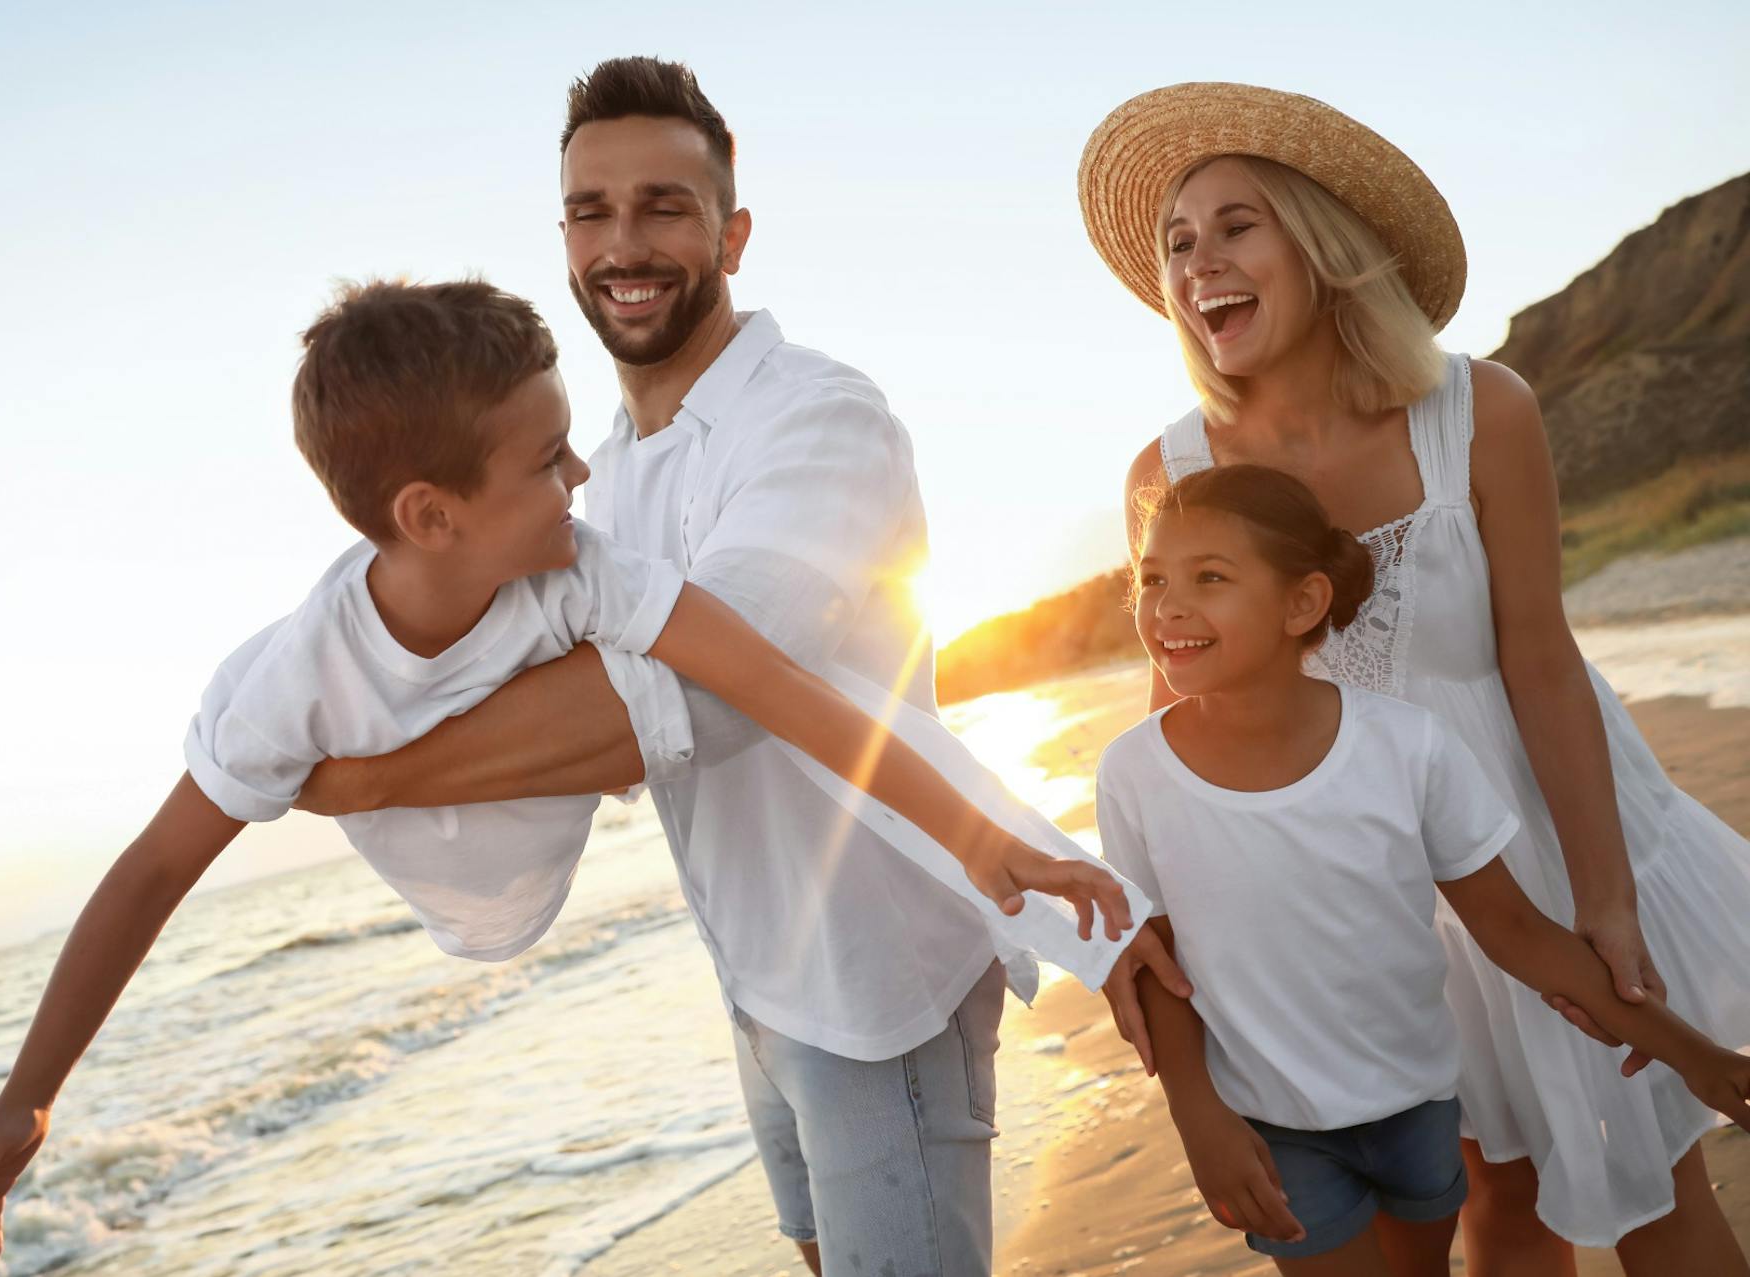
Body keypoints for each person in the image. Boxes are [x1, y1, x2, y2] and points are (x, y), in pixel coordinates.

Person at [0, 278, 1138, 1274]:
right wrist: (26, 1103)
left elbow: (779, 687)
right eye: (549, 459)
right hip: (465, 902)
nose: (584, 477)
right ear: (431, 515)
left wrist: (981, 840)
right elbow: (155, 868)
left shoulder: (578, 566)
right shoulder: (296, 686)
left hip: (733, 919)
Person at [289, 57, 1133, 1274]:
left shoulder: (819, 420)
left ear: (732, 233)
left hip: (872, 971)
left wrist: (376, 776)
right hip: (753, 968)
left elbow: (695, 695)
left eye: (664, 207)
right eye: (591, 211)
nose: (622, 243)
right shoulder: (601, 466)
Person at [1081, 81, 1750, 1273]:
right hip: (1366, 892)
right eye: (1178, 242)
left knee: (1655, 1183)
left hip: (1544, 828)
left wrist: (1602, 897)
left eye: (1236, 225)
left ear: (1324, 246)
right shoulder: (1170, 469)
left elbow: (1540, 659)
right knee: (1499, 1192)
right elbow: (1184, 735)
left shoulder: (1476, 409)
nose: (1197, 264)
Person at [1099, 462, 1750, 1276]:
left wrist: (1693, 1051)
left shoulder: (1406, 746)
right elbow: (1156, 961)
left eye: (1210, 577)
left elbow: (1515, 929)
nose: (1168, 606)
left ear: (1302, 602)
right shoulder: (1133, 774)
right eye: (1151, 578)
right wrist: (1198, 1117)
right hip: (1274, 1125)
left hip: (1421, 1106)